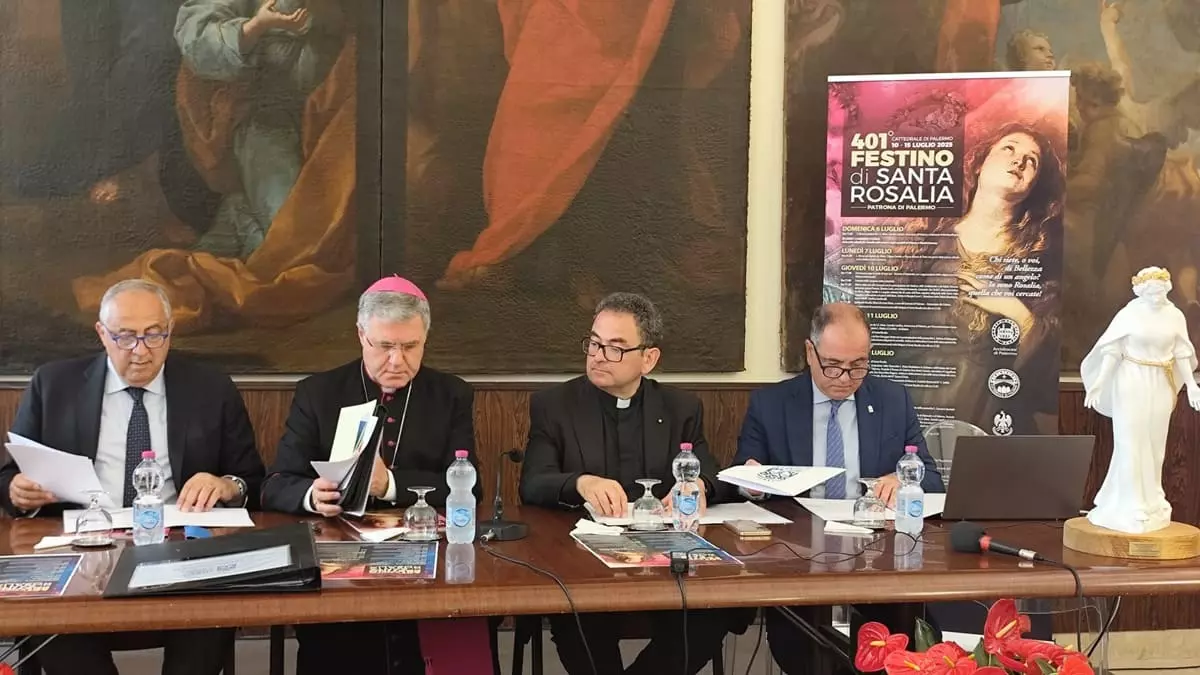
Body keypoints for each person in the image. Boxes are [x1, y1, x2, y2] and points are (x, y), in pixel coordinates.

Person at [0, 278, 263, 675]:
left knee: (211, 620)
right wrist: (18, 491)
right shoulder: (54, 385)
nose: (140, 351)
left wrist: (226, 485)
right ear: (101, 333)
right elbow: (9, 476)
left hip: (182, 551)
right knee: (53, 625)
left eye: (154, 335)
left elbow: (251, 480)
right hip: (80, 550)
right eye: (125, 337)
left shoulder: (210, 388)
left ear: (171, 331)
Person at [261, 275, 493, 675]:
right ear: (361, 336)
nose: (397, 361)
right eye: (385, 346)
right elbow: (275, 483)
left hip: (427, 556)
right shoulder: (318, 393)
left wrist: (390, 485)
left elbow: (469, 484)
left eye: (410, 346)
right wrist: (312, 496)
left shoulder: (450, 394)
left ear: (425, 338)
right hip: (339, 559)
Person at [520, 292, 741, 675]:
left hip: (665, 561)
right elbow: (533, 482)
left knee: (711, 612)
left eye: (615, 348)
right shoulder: (554, 405)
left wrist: (698, 486)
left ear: (649, 358)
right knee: (577, 617)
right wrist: (580, 483)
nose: (598, 356)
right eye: (594, 343)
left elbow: (714, 476)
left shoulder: (680, 408)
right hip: (583, 563)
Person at [733, 303, 942, 675]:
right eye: (833, 365)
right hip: (797, 553)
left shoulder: (893, 401)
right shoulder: (771, 404)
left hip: (878, 554)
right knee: (802, 650)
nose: (846, 378)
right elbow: (743, 479)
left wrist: (904, 480)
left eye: (858, 365)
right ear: (809, 352)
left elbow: (930, 479)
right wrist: (754, 482)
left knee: (916, 636)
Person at [899, 123, 1066, 435]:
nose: (1019, 161)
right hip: (920, 405)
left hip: (991, 411)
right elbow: (892, 329)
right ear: (980, 163)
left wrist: (1017, 313)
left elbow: (1045, 375)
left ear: (1035, 184)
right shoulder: (927, 239)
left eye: (1032, 161)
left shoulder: (1042, 257)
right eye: (1009, 148)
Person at [1083, 267, 1200, 533]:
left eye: (1161, 291)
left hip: (1160, 381)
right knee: (1130, 440)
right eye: (1152, 292)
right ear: (1141, 291)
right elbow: (1112, 351)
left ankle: (1152, 498)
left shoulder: (1174, 316)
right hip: (1131, 379)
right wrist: (1099, 382)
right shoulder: (1129, 315)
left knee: (1155, 441)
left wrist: (1192, 385)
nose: (1157, 296)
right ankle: (1133, 502)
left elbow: (1182, 353)